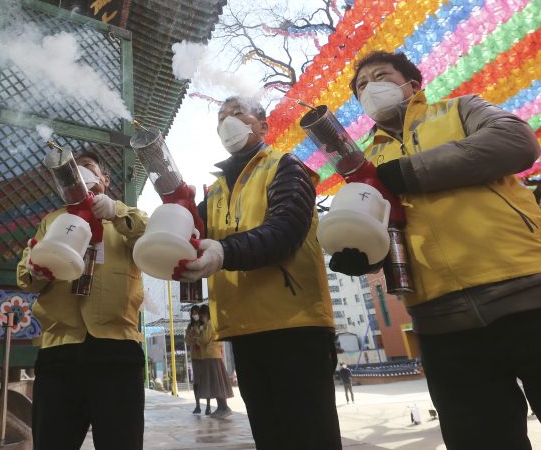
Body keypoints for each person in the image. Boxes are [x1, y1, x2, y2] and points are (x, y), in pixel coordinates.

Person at [331, 50, 541, 450]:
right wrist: (361, 250)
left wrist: (406, 173)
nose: (370, 88)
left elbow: (516, 141)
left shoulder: (459, 110)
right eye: (362, 86)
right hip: (442, 325)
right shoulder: (366, 163)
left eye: (380, 76)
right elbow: (385, 230)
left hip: (534, 299)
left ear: (412, 84)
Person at [176, 96, 342, 449]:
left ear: (263, 126)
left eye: (237, 114)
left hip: (296, 326)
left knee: (310, 437)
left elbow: (285, 231)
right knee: (271, 437)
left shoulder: (286, 166)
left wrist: (224, 251)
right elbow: (191, 237)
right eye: (221, 118)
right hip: (244, 329)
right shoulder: (216, 190)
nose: (228, 122)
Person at [17, 148, 148, 450]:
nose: (81, 173)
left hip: (117, 350)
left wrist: (116, 211)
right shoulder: (52, 221)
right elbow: (25, 277)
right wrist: (40, 269)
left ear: (105, 178)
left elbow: (150, 232)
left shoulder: (126, 217)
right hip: (60, 351)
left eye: (87, 167)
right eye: (73, 169)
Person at [197, 303, 234, 418]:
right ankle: (220, 407)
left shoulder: (209, 324)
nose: (201, 318)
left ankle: (224, 407)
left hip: (212, 355)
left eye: (202, 315)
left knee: (217, 383)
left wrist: (198, 336)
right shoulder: (211, 324)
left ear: (205, 314)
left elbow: (205, 339)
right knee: (215, 383)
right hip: (212, 355)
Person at [185, 304, 207, 414]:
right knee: (196, 382)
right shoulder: (189, 326)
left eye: (196, 313)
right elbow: (186, 340)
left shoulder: (204, 324)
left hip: (204, 355)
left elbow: (205, 337)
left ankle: (208, 406)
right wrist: (191, 336)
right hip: (195, 356)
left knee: (206, 380)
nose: (194, 315)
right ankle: (197, 405)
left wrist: (197, 334)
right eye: (192, 313)